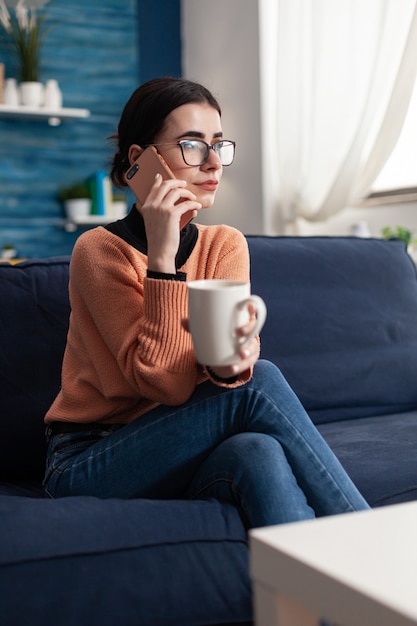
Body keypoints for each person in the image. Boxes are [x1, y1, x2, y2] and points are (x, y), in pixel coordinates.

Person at [43, 77, 369, 528]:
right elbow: (168, 385)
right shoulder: (99, 251)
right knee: (264, 382)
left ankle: (313, 591)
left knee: (257, 449)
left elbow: (217, 381)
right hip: (89, 459)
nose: (214, 162)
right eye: (192, 146)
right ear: (141, 161)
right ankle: (373, 542)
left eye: (219, 144)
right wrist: (162, 255)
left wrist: (234, 362)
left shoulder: (225, 245)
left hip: (182, 443)